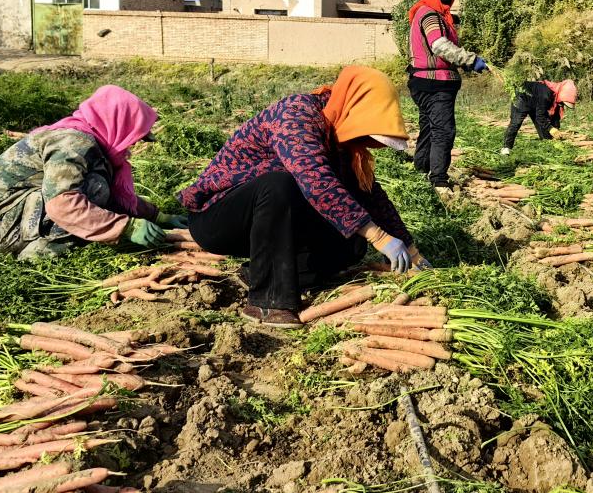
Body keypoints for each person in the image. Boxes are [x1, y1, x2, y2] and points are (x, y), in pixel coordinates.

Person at [179, 66, 429, 327]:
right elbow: (316, 181)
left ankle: (256, 274)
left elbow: (371, 196)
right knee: (279, 184)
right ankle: (266, 302)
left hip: (269, 224)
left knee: (352, 243)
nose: (366, 142)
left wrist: (410, 249)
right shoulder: (296, 114)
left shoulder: (340, 138)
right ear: (353, 107)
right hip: (218, 218)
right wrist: (378, 236)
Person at [0, 85, 180, 260]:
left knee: (97, 189)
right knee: (95, 190)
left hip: (11, 219)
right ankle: (37, 255)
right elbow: (62, 203)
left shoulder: (94, 144)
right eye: (134, 136)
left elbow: (114, 198)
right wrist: (126, 227)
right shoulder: (73, 143)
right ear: (119, 124)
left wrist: (157, 216)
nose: (133, 144)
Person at [407, 0, 489, 188]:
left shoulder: (428, 13)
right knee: (443, 130)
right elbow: (439, 46)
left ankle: (422, 167)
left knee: (429, 127)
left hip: (424, 81)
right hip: (435, 83)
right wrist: (470, 60)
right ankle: (439, 180)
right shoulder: (430, 15)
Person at [499, 79, 579, 154]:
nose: (562, 105)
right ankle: (506, 148)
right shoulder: (546, 95)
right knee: (516, 123)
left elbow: (555, 116)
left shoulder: (556, 96)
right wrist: (551, 128)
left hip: (536, 103)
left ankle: (547, 146)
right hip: (522, 98)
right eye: (562, 103)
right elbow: (540, 116)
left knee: (545, 130)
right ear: (561, 96)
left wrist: (556, 128)